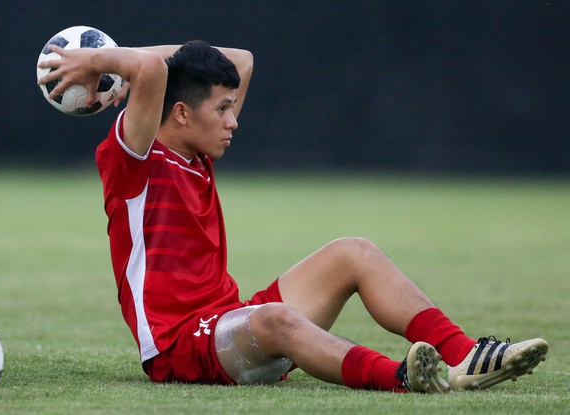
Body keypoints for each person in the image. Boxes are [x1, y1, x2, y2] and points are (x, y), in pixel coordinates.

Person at [37, 39, 548, 393]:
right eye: (223, 109)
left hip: (230, 324)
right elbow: (150, 70)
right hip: (179, 348)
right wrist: (99, 62)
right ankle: (403, 378)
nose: (234, 121)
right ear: (182, 113)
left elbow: (240, 59)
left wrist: (122, 67)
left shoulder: (197, 152)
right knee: (278, 319)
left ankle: (465, 354)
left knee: (354, 252)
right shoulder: (135, 158)